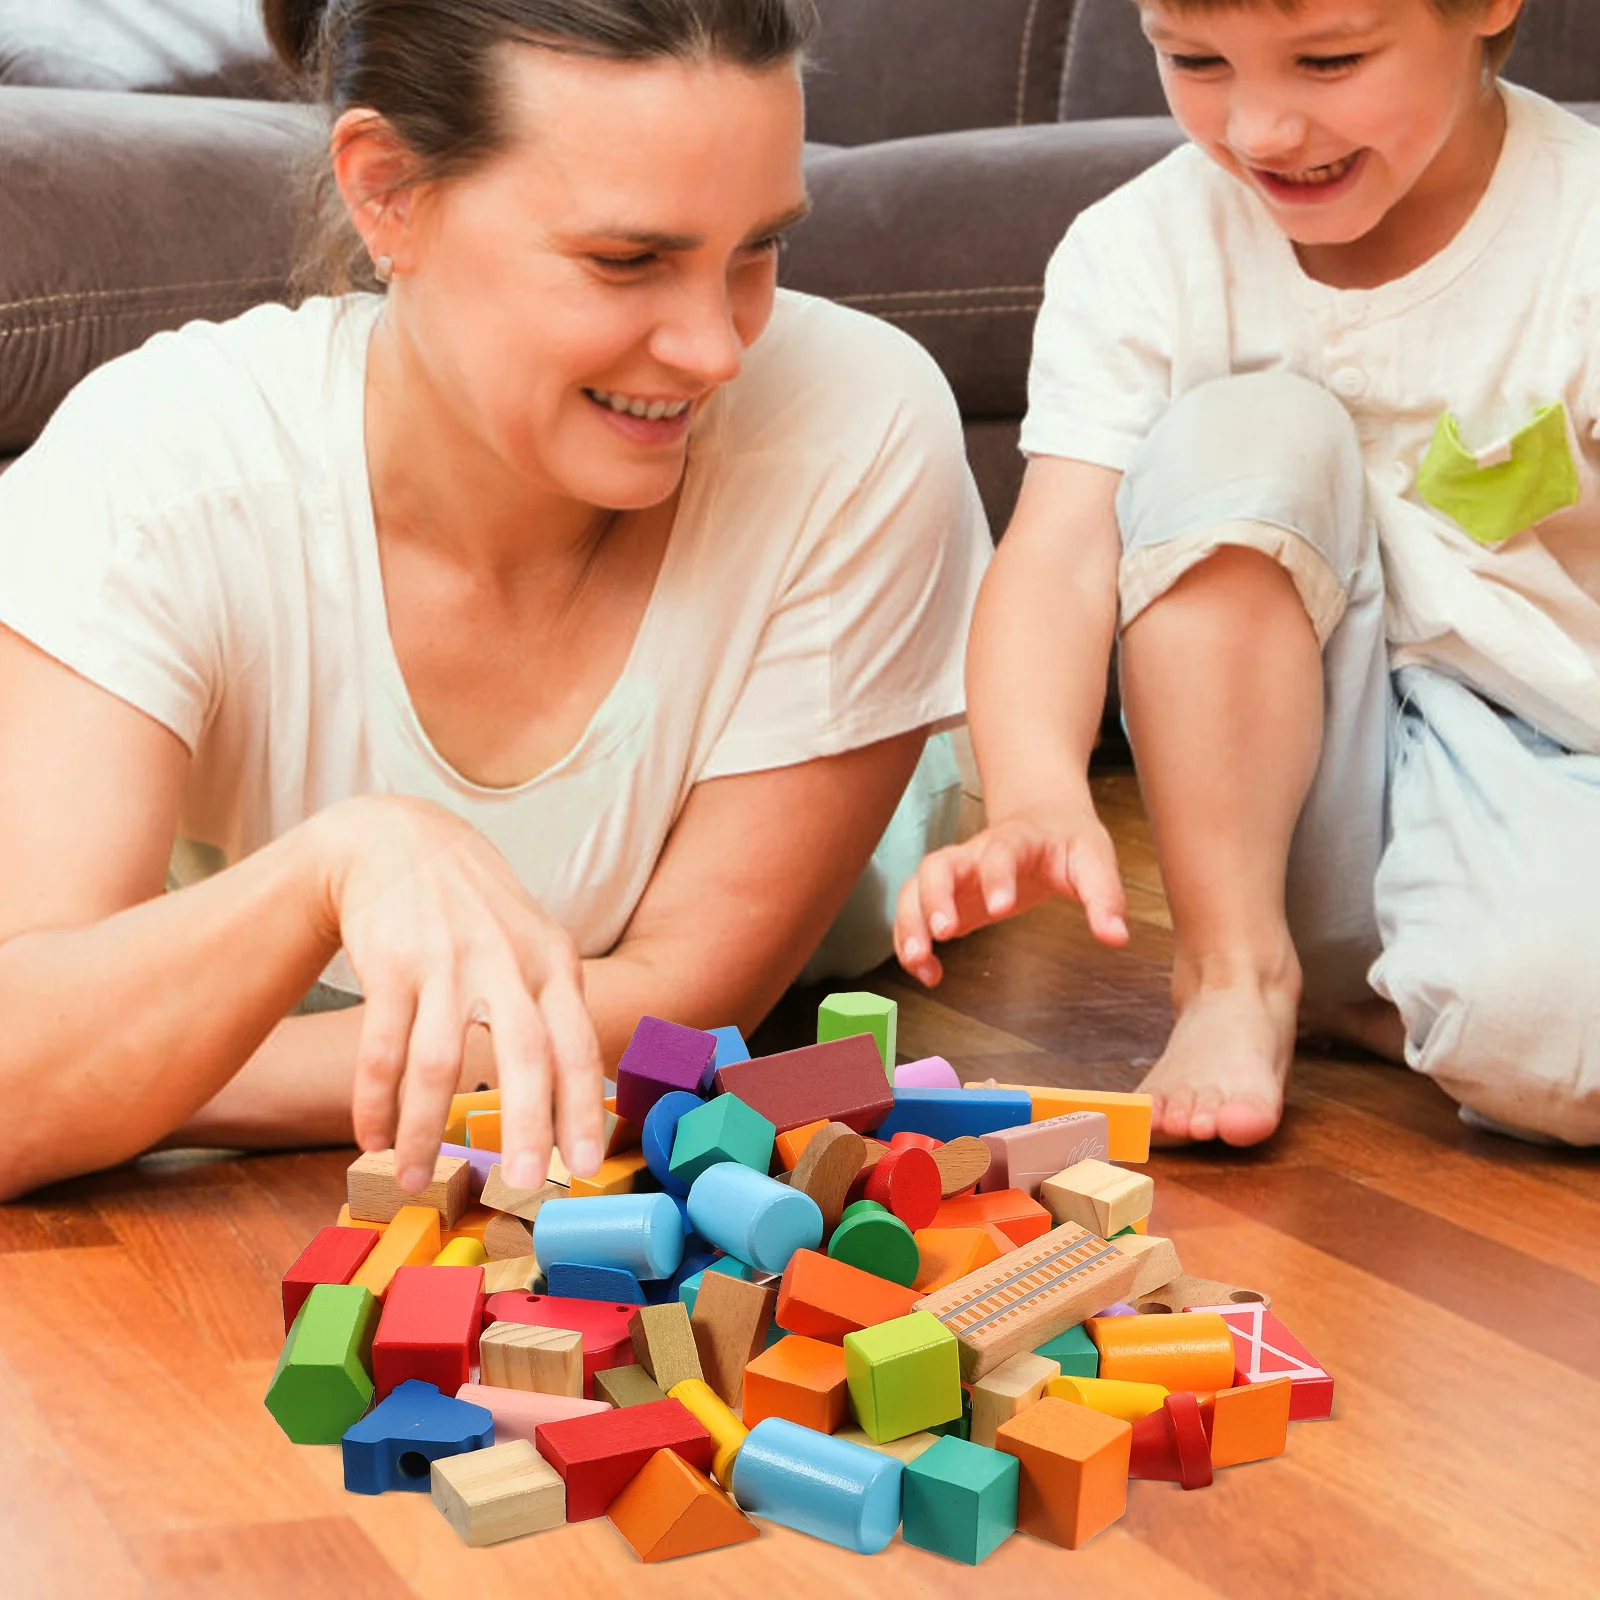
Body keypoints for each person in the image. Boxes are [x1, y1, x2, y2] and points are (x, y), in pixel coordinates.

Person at [0, 0, 989, 1201]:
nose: (716, 350)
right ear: (387, 195)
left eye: (758, 248)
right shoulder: (161, 471)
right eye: (627, 258)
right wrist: (342, 859)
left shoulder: (855, 428)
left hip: (839, 830)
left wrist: (139, 1080)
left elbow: (677, 1004)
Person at [895, 0, 1600, 1147]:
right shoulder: (1141, 251)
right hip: (1276, 802)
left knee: (1560, 1044)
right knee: (1243, 431)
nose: (1263, 128)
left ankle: (1384, 1000)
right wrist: (1033, 794)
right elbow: (1061, 548)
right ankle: (1235, 971)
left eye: (1329, 60)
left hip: (1541, 761)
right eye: (1196, 62)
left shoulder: (1581, 227)